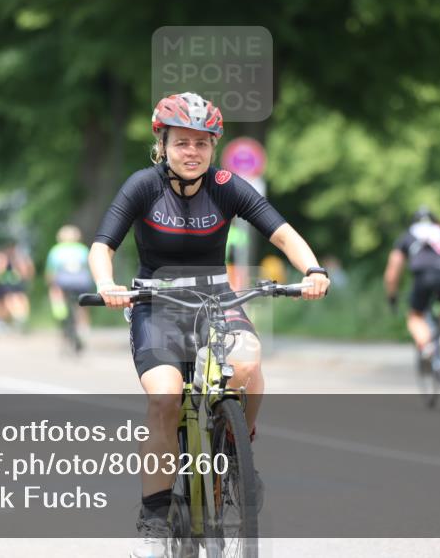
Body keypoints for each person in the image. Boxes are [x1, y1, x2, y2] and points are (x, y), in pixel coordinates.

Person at [88, 92, 330, 558]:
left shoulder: (226, 185)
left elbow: (280, 231)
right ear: (163, 143)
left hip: (218, 298)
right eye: (182, 143)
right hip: (155, 302)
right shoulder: (142, 186)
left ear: (213, 146)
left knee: (247, 362)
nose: (192, 152)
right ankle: (156, 522)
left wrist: (313, 269)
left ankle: (238, 455)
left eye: (202, 143)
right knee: (164, 396)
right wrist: (106, 283)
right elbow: (103, 245)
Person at [384, 206, 440, 367]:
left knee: (415, 316)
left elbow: (393, 270)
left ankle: (427, 346)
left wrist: (392, 295)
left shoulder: (408, 235)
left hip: (424, 275)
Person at [45, 224, 93, 353]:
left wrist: (51, 284)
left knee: (56, 294)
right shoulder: (82, 249)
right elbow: (88, 267)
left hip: (63, 283)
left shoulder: (56, 250)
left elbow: (51, 272)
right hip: (81, 282)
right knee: (82, 306)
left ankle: (61, 315)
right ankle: (83, 329)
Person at [0, 245, 35, 333]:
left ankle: (16, 320)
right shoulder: (3, 262)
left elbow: (26, 272)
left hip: (9, 286)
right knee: (0, 303)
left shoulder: (14, 265)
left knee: (13, 300)